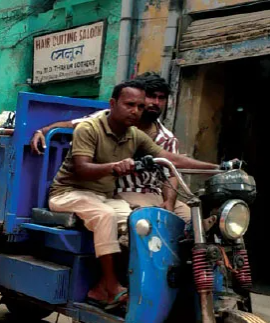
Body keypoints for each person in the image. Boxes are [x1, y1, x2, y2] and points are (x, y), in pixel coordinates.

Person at [47, 80, 218, 310]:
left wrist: (216, 167)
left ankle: (132, 284)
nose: (135, 111)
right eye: (129, 105)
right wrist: (114, 166)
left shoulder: (134, 134)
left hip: (104, 197)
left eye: (139, 106)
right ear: (113, 103)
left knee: (138, 225)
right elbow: (82, 168)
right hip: (68, 193)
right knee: (105, 216)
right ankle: (109, 288)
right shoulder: (90, 128)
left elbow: (171, 158)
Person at [30, 73, 190, 222]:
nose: (156, 103)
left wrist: (169, 202)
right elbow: (73, 124)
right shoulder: (111, 121)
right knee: (149, 220)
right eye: (151, 97)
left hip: (156, 193)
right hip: (125, 192)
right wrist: (43, 130)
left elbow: (170, 174)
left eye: (161, 98)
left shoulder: (167, 138)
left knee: (190, 221)